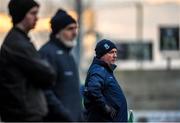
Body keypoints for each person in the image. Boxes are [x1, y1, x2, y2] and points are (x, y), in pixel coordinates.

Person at [0, 0, 56, 121]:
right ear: (21, 15)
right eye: (33, 13)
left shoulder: (19, 40)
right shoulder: (18, 44)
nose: (37, 18)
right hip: (24, 114)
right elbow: (47, 74)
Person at [39, 9, 82, 121]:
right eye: (69, 29)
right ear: (57, 32)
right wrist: (64, 114)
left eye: (75, 28)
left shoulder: (68, 55)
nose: (74, 33)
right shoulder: (47, 53)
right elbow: (45, 91)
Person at [83, 39, 128, 122]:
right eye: (111, 52)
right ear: (101, 55)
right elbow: (93, 89)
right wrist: (106, 107)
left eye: (115, 52)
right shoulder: (99, 70)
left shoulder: (105, 70)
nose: (115, 55)